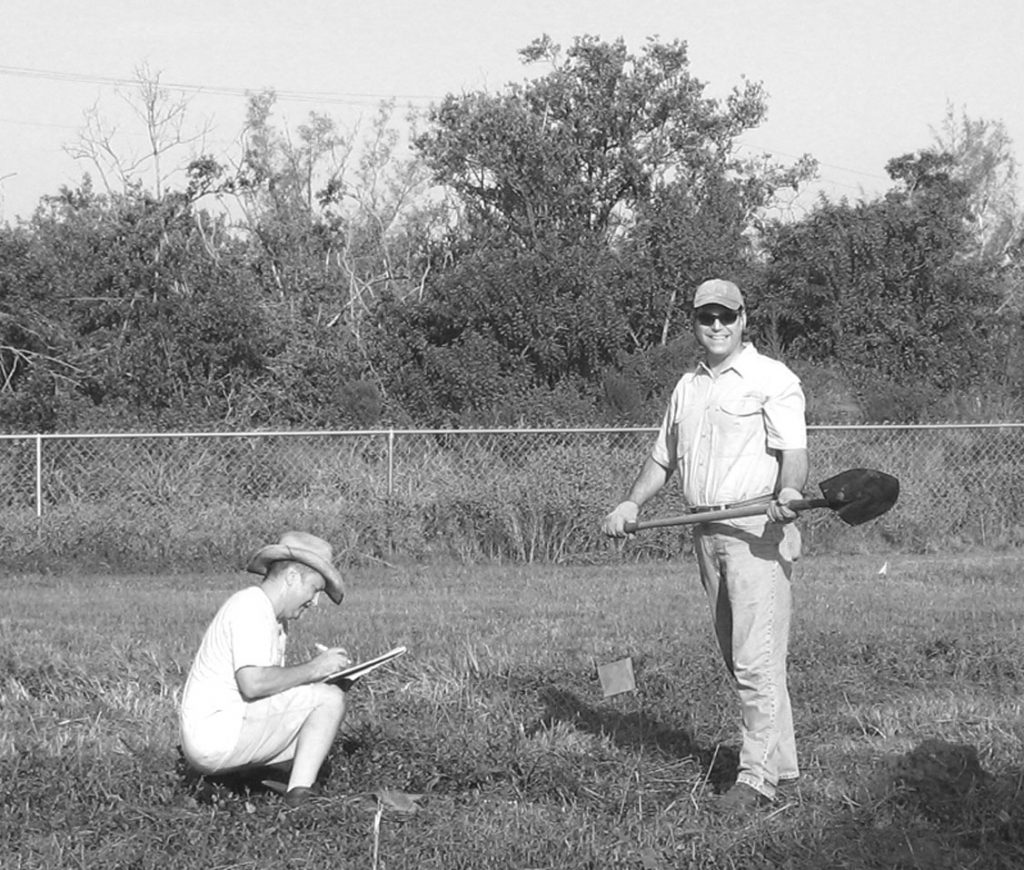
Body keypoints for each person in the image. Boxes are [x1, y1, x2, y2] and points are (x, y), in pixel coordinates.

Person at [602, 278, 808, 814]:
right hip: (706, 533)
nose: (716, 326)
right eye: (705, 317)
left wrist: (788, 492)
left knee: (755, 660)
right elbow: (662, 460)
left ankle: (756, 780)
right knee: (743, 659)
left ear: (744, 320)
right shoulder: (687, 388)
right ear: (695, 323)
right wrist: (632, 504)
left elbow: (794, 452)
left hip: (757, 532)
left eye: (726, 316)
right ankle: (780, 765)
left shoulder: (772, 379)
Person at [179, 530, 353, 808]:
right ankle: (299, 798)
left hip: (221, 732)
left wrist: (326, 678)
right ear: (292, 578)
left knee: (322, 708)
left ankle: (239, 782)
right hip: (217, 735)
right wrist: (315, 670)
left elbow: (267, 689)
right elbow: (254, 683)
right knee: (329, 700)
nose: (314, 601)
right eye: (315, 589)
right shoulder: (251, 607)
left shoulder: (272, 617)